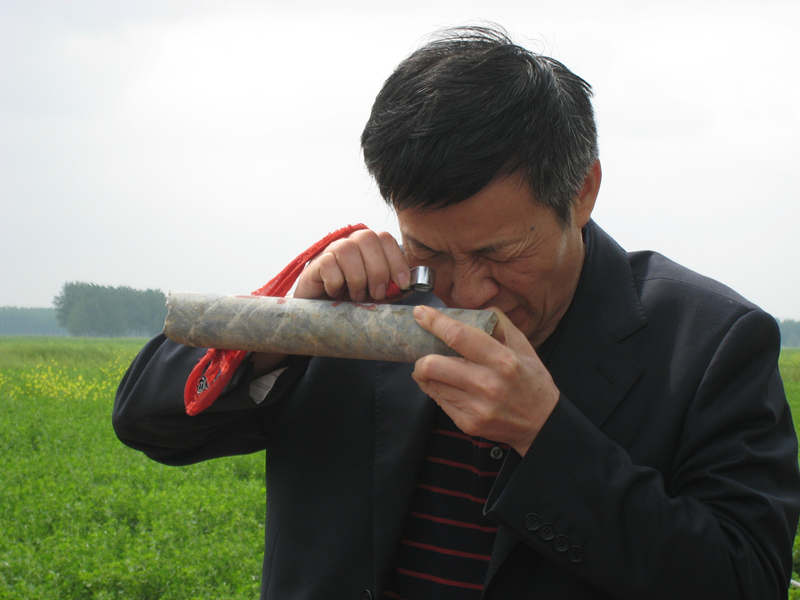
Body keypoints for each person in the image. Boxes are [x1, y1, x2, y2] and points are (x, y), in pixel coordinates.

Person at [113, 26, 800, 599]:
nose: (466, 293)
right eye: (431, 252)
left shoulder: (710, 344)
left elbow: (747, 581)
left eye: (500, 253)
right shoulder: (362, 306)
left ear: (583, 192)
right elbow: (147, 423)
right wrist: (290, 328)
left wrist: (547, 437)